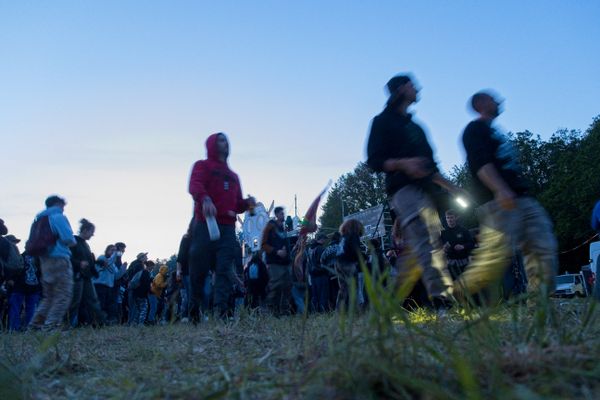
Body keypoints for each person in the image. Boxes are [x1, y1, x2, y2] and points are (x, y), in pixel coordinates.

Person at [366, 74, 459, 308]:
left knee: (426, 247)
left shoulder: (416, 127)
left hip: (427, 192)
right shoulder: (382, 122)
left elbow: (431, 165)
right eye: (411, 85)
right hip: (403, 190)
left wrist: (452, 187)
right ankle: (442, 301)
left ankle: (388, 300)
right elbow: (374, 161)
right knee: (426, 243)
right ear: (399, 90)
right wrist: (402, 164)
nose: (418, 88)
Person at [455, 91, 558, 299]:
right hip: (498, 202)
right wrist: (499, 189)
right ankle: (452, 294)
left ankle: (539, 305)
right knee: (494, 261)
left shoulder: (496, 133)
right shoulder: (474, 130)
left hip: (523, 199)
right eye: (493, 99)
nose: (499, 101)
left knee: (542, 247)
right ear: (481, 104)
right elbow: (480, 163)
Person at [188, 132, 256, 321]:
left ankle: (222, 313)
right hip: (206, 224)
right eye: (219, 139)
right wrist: (205, 199)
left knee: (225, 269)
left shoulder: (234, 176)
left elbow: (237, 205)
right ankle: (194, 309)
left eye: (226, 140)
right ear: (211, 144)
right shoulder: (202, 166)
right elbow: (195, 186)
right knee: (198, 269)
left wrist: (247, 203)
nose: (224, 143)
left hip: (227, 229)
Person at [29, 195, 77, 331]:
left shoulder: (39, 219)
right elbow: (68, 238)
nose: (63, 209)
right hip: (60, 257)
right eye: (63, 206)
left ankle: (35, 325)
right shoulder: (58, 216)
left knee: (48, 296)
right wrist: (72, 242)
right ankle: (50, 326)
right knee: (63, 294)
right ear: (58, 204)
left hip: (44, 258)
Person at [68, 219, 106, 327]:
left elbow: (89, 261)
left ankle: (99, 323)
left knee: (93, 300)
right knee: (74, 302)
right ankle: (66, 324)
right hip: (77, 276)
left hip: (86, 277)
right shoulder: (73, 241)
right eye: (91, 232)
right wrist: (78, 264)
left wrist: (98, 263)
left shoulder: (86, 245)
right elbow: (67, 258)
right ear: (85, 230)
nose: (92, 235)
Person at [6, 236, 42, 331]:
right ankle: (16, 328)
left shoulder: (37, 259)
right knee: (19, 308)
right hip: (21, 286)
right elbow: (13, 269)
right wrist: (10, 279)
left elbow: (41, 272)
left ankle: (19, 328)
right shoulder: (21, 257)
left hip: (30, 287)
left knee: (27, 309)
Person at [261, 206, 292, 316]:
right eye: (282, 214)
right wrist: (276, 251)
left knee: (287, 286)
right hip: (274, 262)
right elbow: (263, 244)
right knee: (275, 286)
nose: (283, 215)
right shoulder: (270, 226)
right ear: (277, 214)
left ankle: (284, 311)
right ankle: (270, 311)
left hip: (285, 262)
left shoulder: (283, 229)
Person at [335, 219, 365, 310]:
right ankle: (357, 310)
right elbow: (356, 251)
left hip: (338, 263)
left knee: (343, 288)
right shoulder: (354, 236)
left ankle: (339, 310)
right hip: (348, 263)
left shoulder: (343, 237)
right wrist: (364, 259)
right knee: (354, 288)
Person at [93, 244, 126, 324]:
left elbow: (116, 276)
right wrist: (115, 254)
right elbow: (107, 263)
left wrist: (123, 269)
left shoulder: (113, 264)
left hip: (109, 286)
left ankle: (103, 322)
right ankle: (95, 322)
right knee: (100, 304)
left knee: (107, 305)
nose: (114, 252)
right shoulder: (102, 258)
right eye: (112, 250)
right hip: (99, 285)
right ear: (106, 251)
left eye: (115, 250)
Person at [441, 209, 475, 280]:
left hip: (464, 263)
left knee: (467, 283)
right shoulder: (443, 233)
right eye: (448, 217)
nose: (449, 220)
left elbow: (472, 243)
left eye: (451, 217)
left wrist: (463, 246)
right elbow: (440, 248)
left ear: (456, 218)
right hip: (451, 265)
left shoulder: (463, 230)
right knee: (455, 286)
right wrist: (444, 248)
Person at [308, 233, 330, 312]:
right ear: (322, 239)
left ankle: (314, 312)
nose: (325, 240)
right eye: (324, 239)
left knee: (315, 295)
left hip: (313, 275)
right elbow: (325, 262)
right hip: (321, 274)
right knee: (323, 295)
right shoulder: (321, 249)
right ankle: (323, 312)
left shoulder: (310, 249)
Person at [126, 252, 148, 324]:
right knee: (134, 306)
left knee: (132, 306)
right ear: (141, 257)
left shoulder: (133, 264)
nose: (147, 258)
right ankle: (132, 323)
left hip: (131, 287)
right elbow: (138, 278)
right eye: (145, 257)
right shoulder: (139, 265)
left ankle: (130, 322)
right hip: (135, 288)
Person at [176, 230, 192, 322]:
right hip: (187, 272)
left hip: (198, 272)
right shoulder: (185, 240)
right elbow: (180, 258)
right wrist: (178, 271)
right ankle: (187, 315)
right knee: (190, 294)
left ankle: (192, 315)